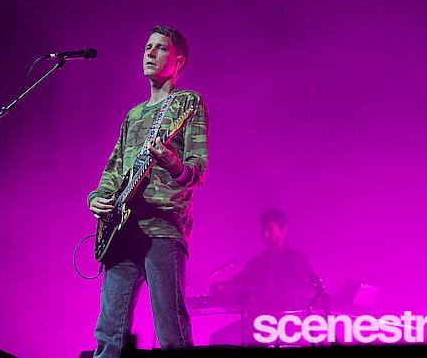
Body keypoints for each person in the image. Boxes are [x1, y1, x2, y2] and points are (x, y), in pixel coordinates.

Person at [87, 25, 208, 358]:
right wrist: (96, 198)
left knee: (171, 332)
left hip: (163, 230)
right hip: (121, 232)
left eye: (161, 48)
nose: (151, 53)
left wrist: (174, 164)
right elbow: (114, 170)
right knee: (108, 335)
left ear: (178, 61)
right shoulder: (134, 114)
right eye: (147, 47)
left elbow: (198, 170)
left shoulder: (188, 102)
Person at [209, 209, 313, 346]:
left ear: (283, 231)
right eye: (264, 229)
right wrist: (223, 287)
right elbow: (240, 281)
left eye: (270, 229)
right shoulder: (257, 262)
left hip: (288, 322)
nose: (265, 234)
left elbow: (307, 291)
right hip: (260, 320)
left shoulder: (297, 259)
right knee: (219, 338)